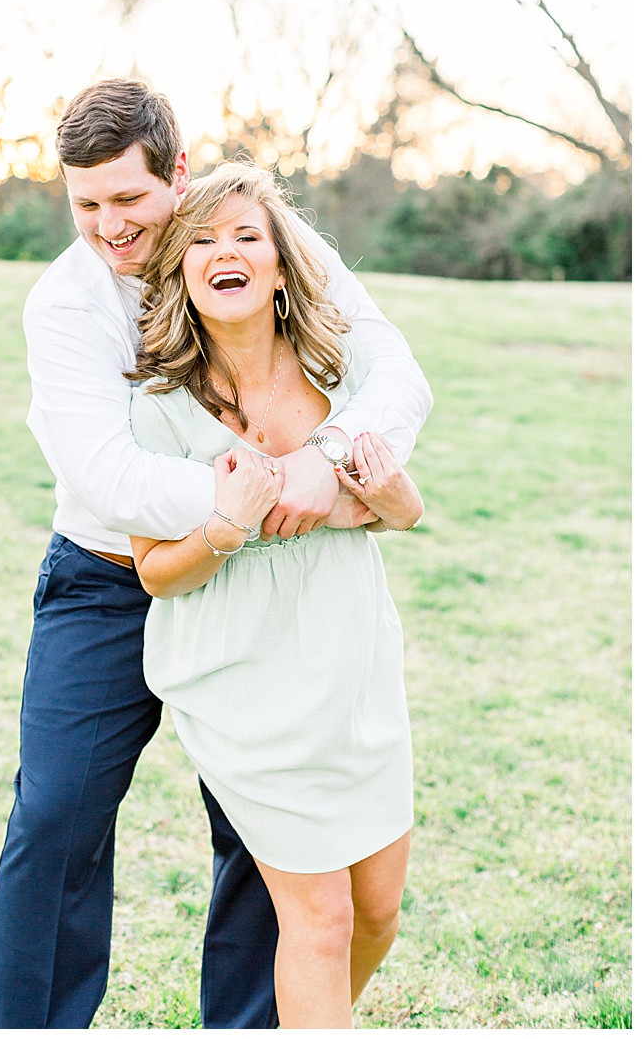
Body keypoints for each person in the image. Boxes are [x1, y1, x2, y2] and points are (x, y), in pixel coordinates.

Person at [0, 80, 432, 1029]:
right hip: (108, 579)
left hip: (266, 588)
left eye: (128, 200)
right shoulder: (65, 305)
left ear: (175, 175)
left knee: (264, 840)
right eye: (86, 204)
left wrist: (332, 459)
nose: (108, 226)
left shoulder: (259, 240)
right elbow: (112, 477)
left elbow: (390, 370)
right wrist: (265, 495)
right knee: (56, 815)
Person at [127, 161, 422, 1028]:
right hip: (239, 680)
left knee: (376, 913)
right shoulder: (160, 408)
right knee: (320, 917)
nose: (226, 251)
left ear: (284, 265)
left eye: (247, 236)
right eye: (204, 240)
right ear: (181, 268)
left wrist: (393, 500)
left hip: (355, 668)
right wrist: (227, 525)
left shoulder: (343, 382)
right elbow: (154, 571)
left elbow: (397, 506)